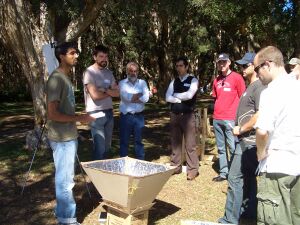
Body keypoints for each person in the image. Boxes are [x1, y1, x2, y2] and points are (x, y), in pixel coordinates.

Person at [46, 42, 95, 225]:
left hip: (68, 137)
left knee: (65, 178)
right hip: (62, 139)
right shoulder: (56, 78)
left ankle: (61, 212)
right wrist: (80, 118)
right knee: (65, 181)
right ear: (61, 56)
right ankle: (67, 220)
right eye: (72, 53)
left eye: (76, 53)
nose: (76, 56)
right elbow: (52, 113)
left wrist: (78, 120)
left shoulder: (65, 77)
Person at [254, 46, 300, 225]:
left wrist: (260, 152)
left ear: (267, 64)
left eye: (258, 69)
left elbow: (262, 130)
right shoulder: (296, 86)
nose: (257, 74)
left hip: (277, 167)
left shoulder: (271, 92)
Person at [218, 52, 265, 224]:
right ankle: (249, 213)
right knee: (249, 178)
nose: (242, 69)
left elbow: (261, 114)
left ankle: (229, 220)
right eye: (241, 66)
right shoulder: (250, 86)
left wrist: (241, 128)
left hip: (249, 141)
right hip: (246, 141)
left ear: (255, 66)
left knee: (234, 178)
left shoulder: (259, 86)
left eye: (246, 65)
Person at [212, 53, 246, 182]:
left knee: (233, 147)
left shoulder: (237, 78)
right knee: (221, 148)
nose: (222, 65)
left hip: (231, 119)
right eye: (220, 62)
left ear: (229, 63)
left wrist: (240, 119)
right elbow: (216, 97)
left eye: (224, 62)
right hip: (217, 118)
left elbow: (243, 98)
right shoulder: (216, 80)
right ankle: (223, 173)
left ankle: (235, 173)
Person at [165, 56, 199, 181]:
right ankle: (175, 166)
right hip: (174, 115)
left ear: (186, 66)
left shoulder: (193, 80)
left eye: (181, 65)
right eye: (177, 66)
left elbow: (190, 95)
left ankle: (192, 170)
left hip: (188, 116)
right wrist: (179, 98)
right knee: (175, 143)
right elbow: (167, 97)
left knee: (190, 144)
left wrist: (176, 95)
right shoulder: (174, 81)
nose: (179, 68)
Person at [83, 45, 119, 160]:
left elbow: (118, 93)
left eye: (106, 56)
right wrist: (110, 91)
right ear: (95, 57)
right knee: (100, 148)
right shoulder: (89, 72)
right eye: (101, 56)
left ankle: (104, 174)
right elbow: (95, 96)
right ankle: (96, 176)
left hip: (109, 112)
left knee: (107, 147)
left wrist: (105, 90)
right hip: (95, 113)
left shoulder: (109, 73)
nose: (104, 59)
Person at [119, 62, 150, 160]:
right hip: (126, 116)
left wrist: (135, 97)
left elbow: (146, 98)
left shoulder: (143, 82)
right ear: (127, 71)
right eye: (131, 71)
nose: (133, 73)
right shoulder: (122, 83)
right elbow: (126, 97)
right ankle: (123, 163)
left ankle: (141, 162)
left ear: (138, 72)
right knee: (124, 141)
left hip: (139, 117)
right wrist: (140, 94)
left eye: (135, 71)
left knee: (139, 141)